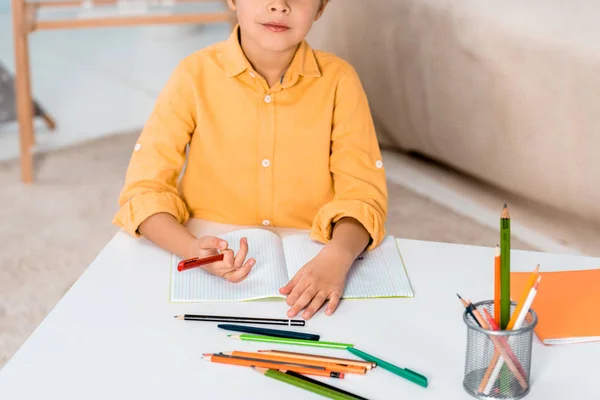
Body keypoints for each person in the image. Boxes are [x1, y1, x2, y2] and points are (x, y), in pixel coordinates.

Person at [113, 0, 388, 320]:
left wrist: (338, 256)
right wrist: (192, 249)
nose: (279, 6)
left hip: (311, 253)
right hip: (204, 251)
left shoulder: (340, 80)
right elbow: (143, 191)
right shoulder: (193, 74)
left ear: (321, 7)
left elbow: (363, 195)